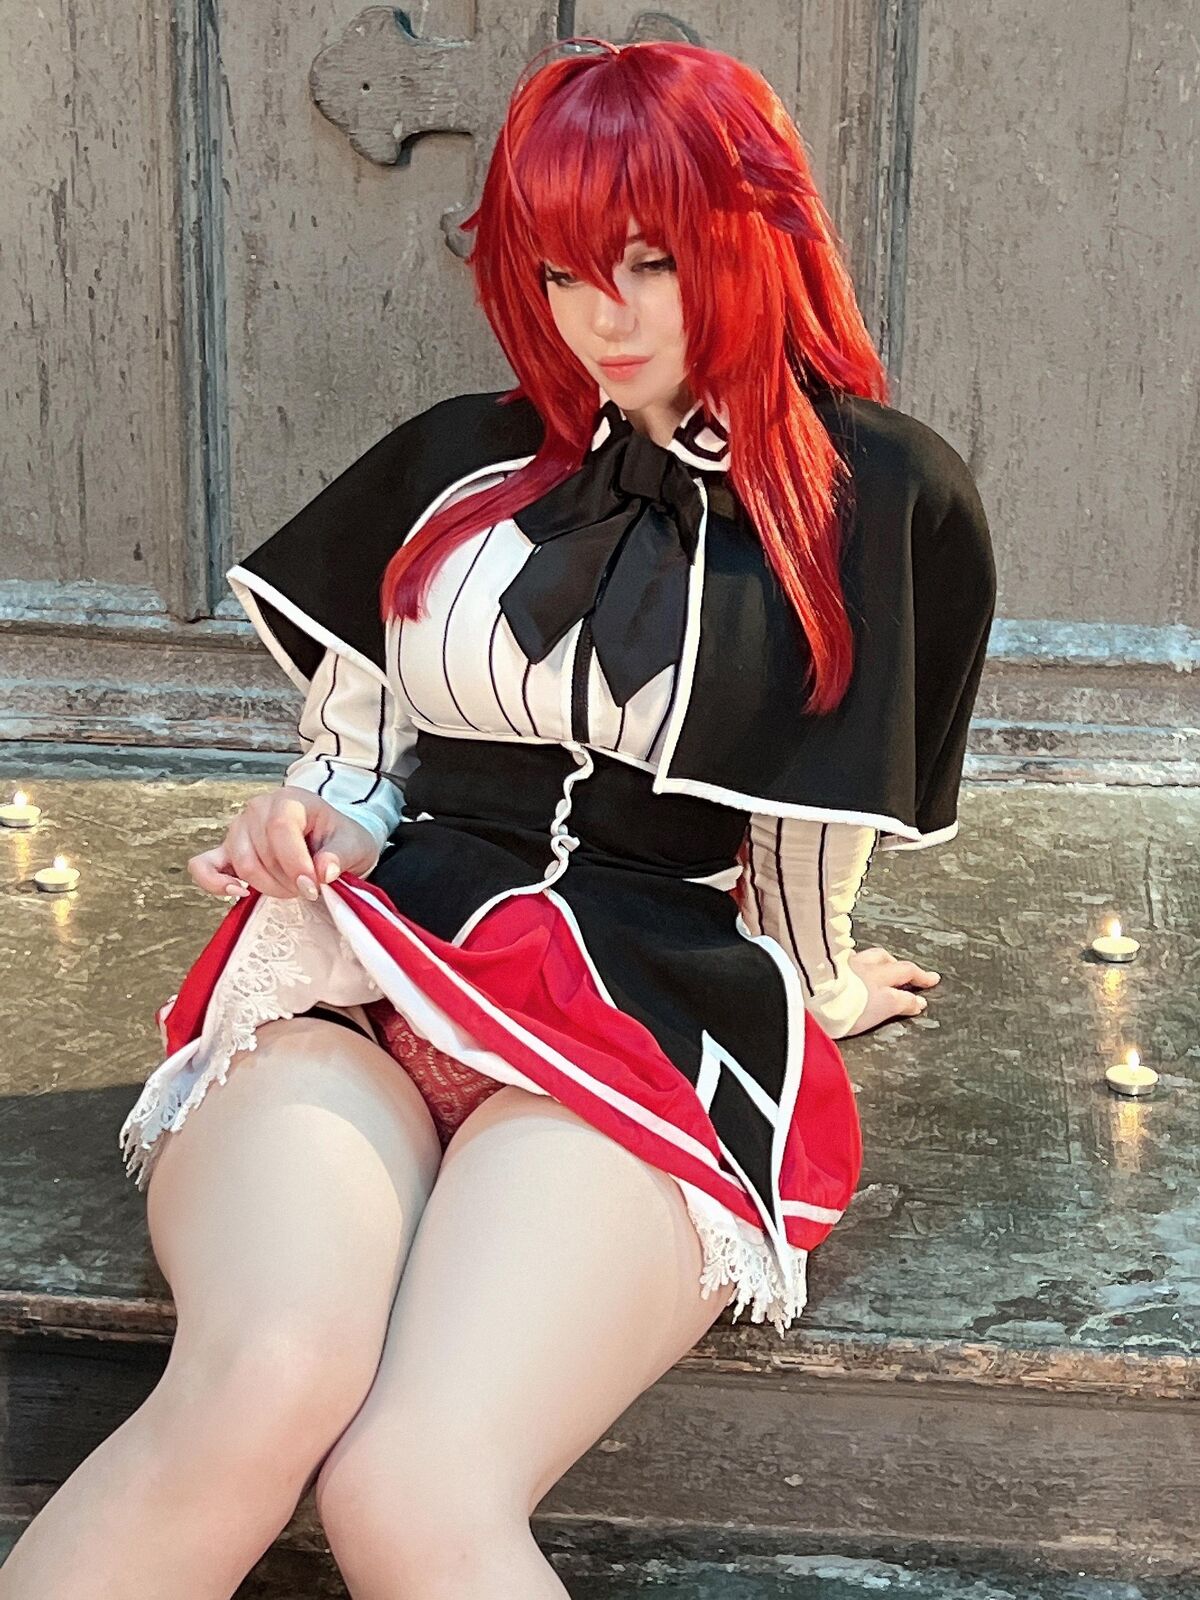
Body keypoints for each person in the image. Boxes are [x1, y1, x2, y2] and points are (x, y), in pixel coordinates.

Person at [0, 35, 995, 1600]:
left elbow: (809, 827)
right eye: (563, 272)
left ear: (755, 237)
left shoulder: (869, 499)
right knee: (261, 1381)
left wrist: (817, 982)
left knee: (411, 1486)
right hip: (366, 971)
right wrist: (312, 828)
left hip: (646, 1019)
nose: (605, 317)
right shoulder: (461, 463)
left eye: (652, 262)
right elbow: (354, 757)